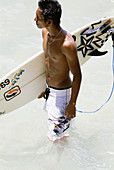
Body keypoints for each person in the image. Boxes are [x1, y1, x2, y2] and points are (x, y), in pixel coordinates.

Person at [34, 0, 82, 141]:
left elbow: (77, 75)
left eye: (38, 18)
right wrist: (43, 88)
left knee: (57, 141)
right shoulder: (45, 33)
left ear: (49, 22)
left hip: (62, 97)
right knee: (62, 136)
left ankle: (58, 162)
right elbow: (49, 63)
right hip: (50, 91)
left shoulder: (67, 45)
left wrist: (72, 104)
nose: (35, 20)